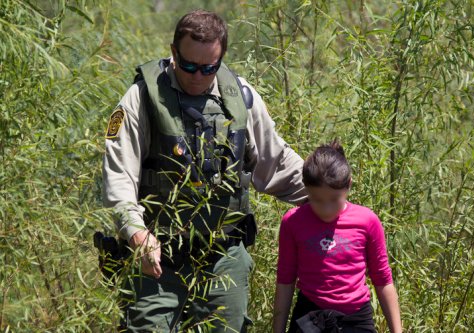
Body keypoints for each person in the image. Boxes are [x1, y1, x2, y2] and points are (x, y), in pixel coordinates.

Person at [102, 9, 306, 333]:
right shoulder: (140, 99)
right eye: (189, 66)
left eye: (209, 68)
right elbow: (118, 178)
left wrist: (330, 195)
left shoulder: (240, 97)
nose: (198, 76)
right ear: (173, 52)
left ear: (221, 58)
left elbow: (277, 163)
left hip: (223, 254)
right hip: (159, 256)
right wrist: (137, 234)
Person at [273, 140, 402, 333]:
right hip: (309, 319)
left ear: (348, 185)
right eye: (317, 200)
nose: (326, 209)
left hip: (356, 319)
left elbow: (382, 279)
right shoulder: (293, 222)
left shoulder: (367, 221)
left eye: (334, 199)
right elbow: (285, 281)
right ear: (306, 188)